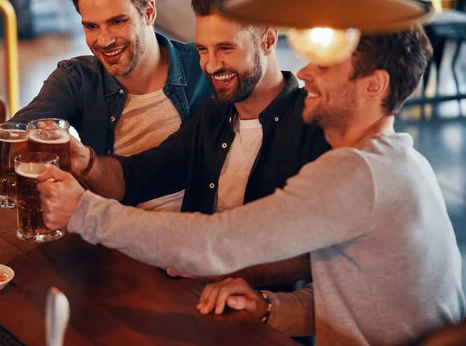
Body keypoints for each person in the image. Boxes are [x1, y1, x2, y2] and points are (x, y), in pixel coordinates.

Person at [35, 26, 466, 345]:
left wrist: (83, 212)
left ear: (375, 85)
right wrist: (273, 309)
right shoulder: (398, 159)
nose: (307, 73)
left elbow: (216, 243)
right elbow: (364, 295)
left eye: (327, 65)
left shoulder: (360, 172)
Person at [0, 0, 213, 211]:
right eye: (92, 26)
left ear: (149, 12)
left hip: (192, 231)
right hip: (109, 233)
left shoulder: (204, 67)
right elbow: (25, 125)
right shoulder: (78, 78)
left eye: (117, 22)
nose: (104, 41)